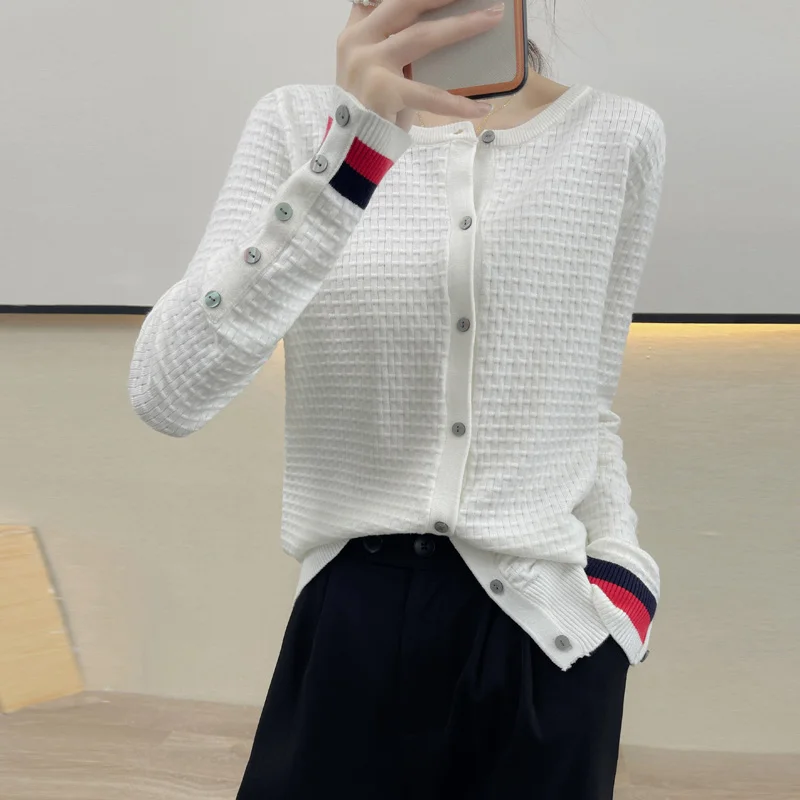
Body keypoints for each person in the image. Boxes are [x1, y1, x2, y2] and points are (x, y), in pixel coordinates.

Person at [128, 0, 666, 796]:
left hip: (550, 640)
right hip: (355, 619)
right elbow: (166, 392)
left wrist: (623, 588)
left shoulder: (620, 136)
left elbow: (586, 399)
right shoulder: (296, 125)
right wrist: (356, 147)